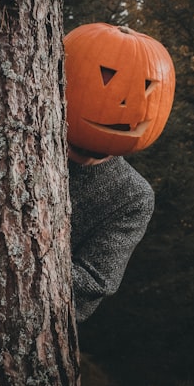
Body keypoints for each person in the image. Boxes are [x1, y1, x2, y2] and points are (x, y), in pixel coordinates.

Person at [63, 22, 176, 323]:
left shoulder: (132, 196)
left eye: (145, 88)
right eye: (106, 77)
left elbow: (94, 282)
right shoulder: (20, 150)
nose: (124, 104)